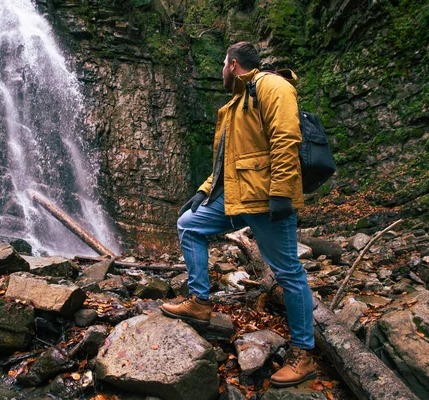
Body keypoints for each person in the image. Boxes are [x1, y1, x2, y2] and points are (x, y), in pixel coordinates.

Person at [159, 41, 317, 387]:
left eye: (222, 65)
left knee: (288, 271)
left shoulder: (273, 86)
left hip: (266, 199)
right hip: (235, 197)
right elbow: (225, 164)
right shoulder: (233, 106)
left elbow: (287, 139)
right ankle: (200, 301)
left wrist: (280, 193)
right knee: (188, 225)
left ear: (232, 64)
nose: (220, 72)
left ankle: (304, 355)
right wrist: (202, 192)